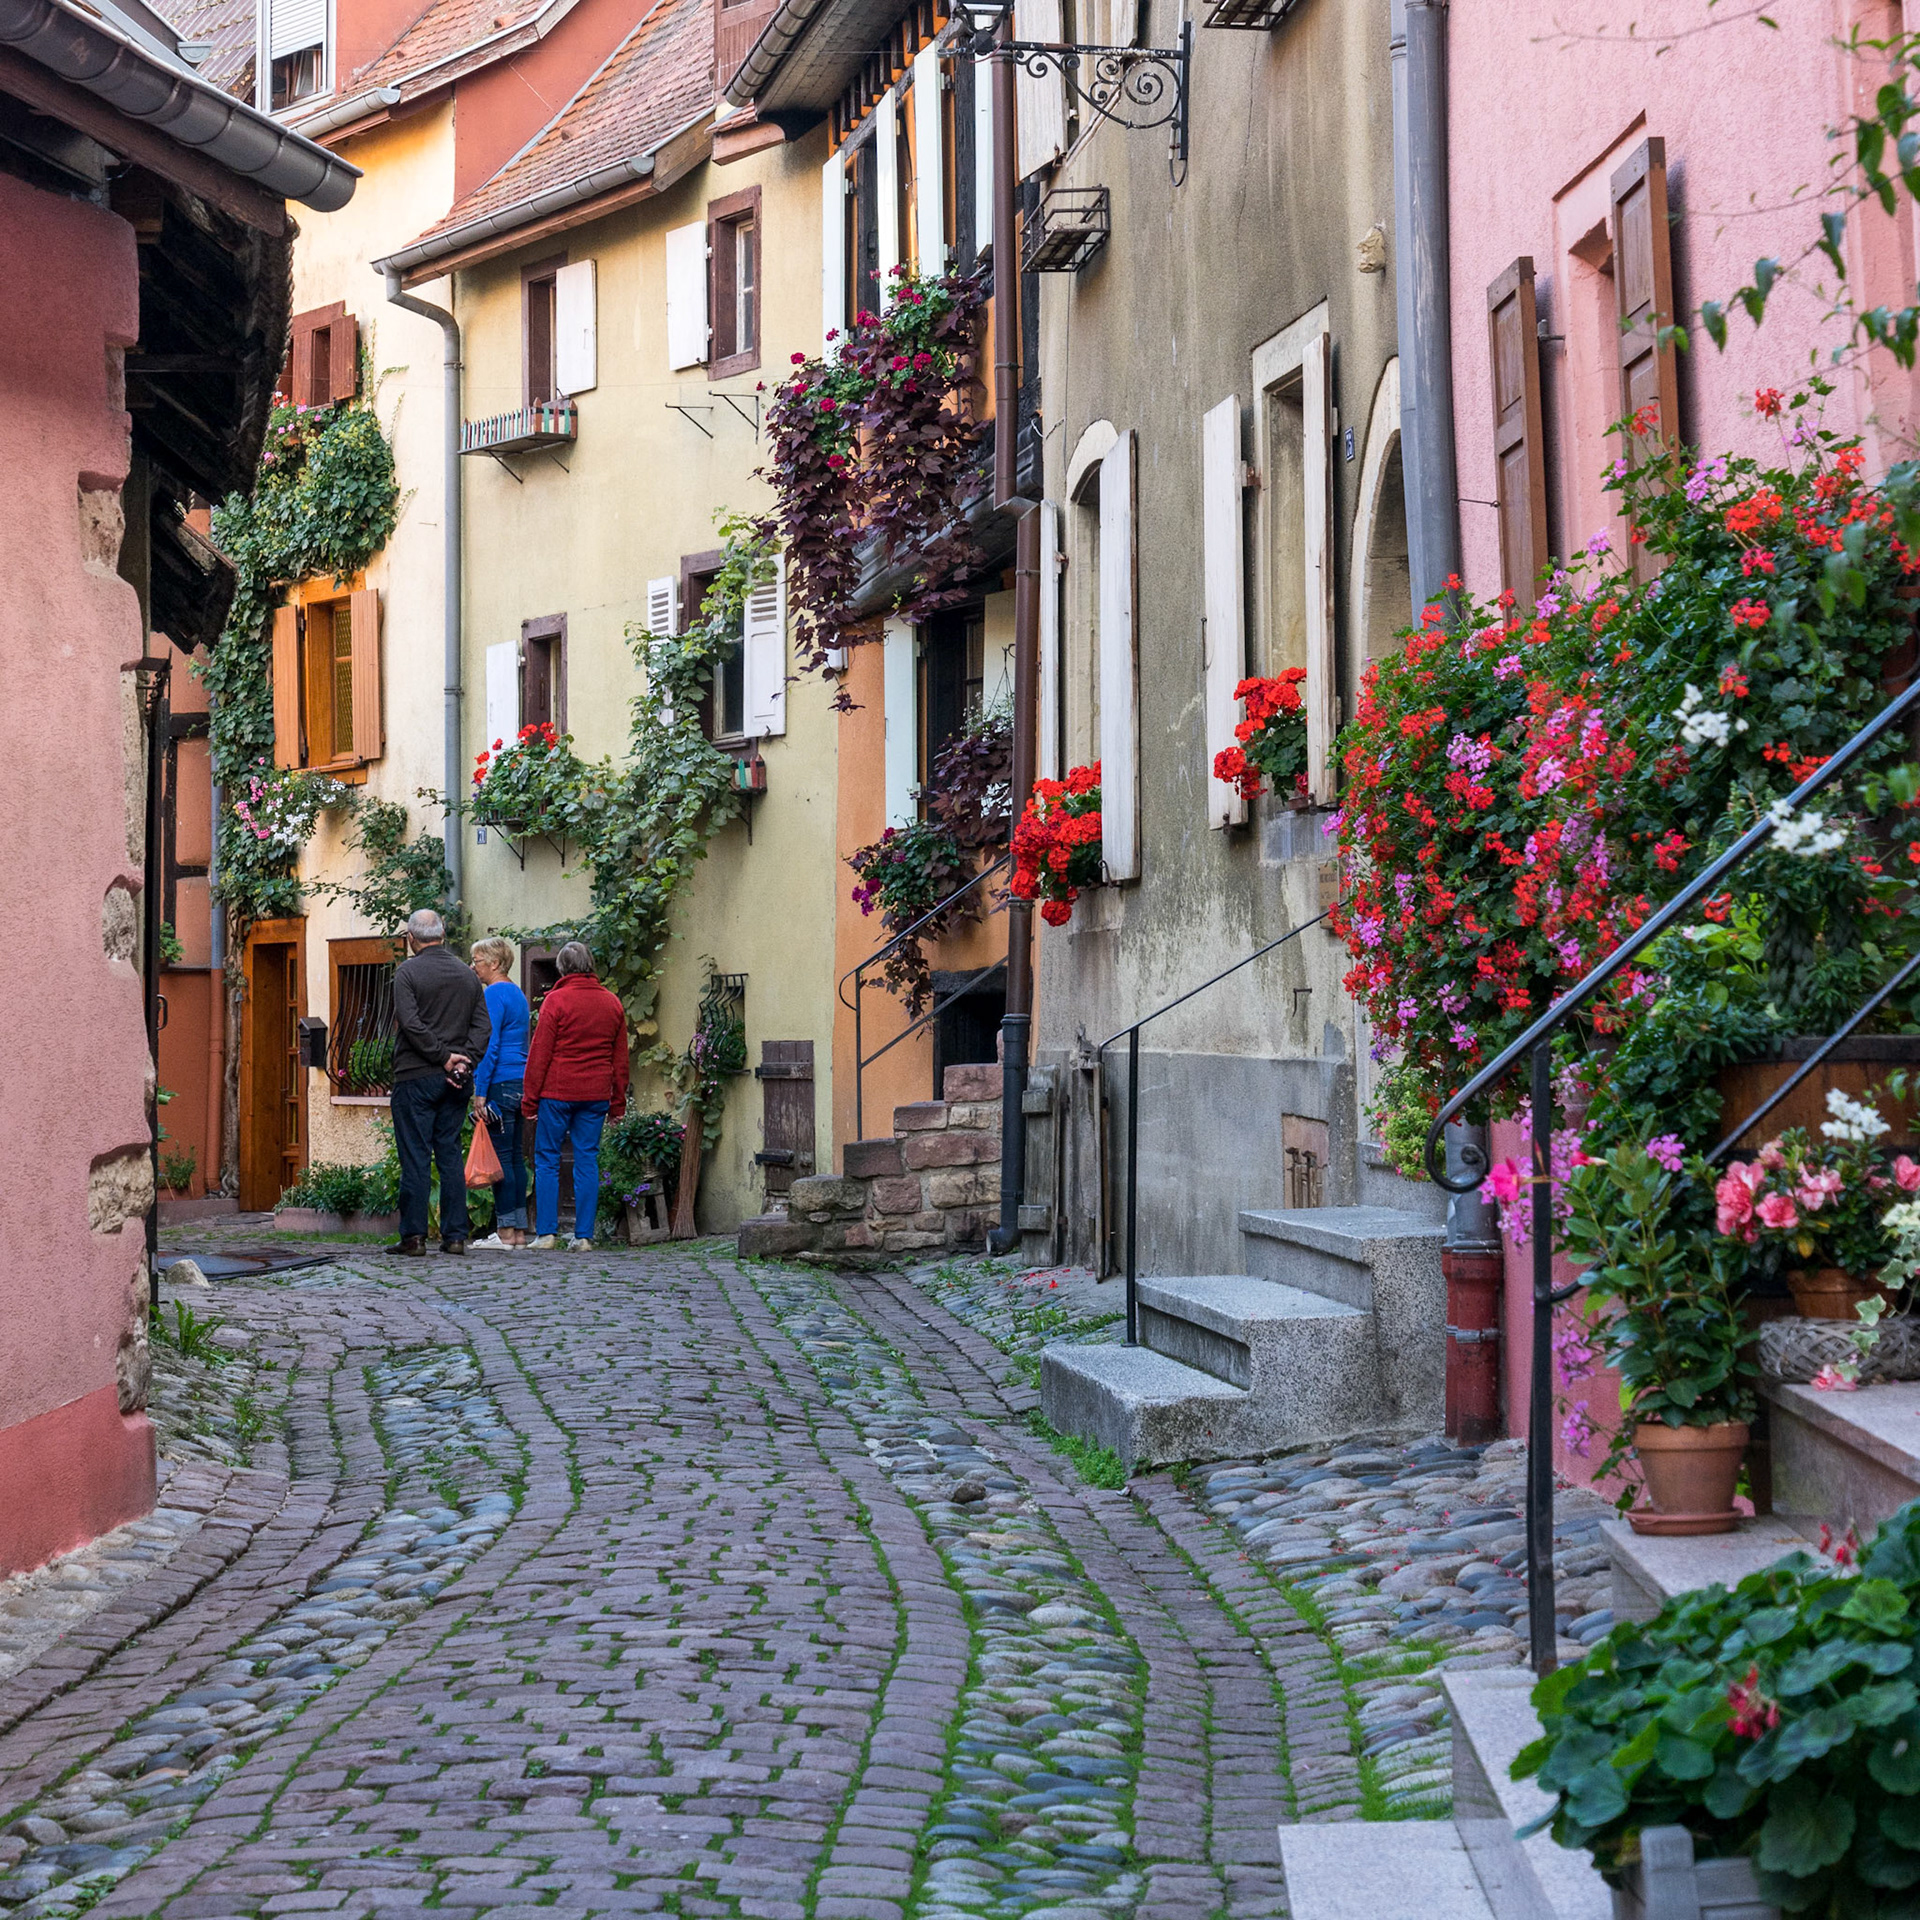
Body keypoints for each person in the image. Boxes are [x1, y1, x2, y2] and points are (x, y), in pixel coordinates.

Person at [389, 908, 491, 1256]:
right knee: (448, 1153)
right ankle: (455, 1236)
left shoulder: (407, 973)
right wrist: (464, 1062)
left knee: (415, 1155)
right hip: (456, 1081)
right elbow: (482, 1027)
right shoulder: (467, 975)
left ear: (411, 938)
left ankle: (414, 1237)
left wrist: (442, 1056)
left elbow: (411, 1022)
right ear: (443, 934)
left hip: (415, 1075)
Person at [523, 941, 628, 1250]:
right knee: (587, 1159)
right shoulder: (612, 1003)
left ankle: (546, 1233)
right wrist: (617, 1104)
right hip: (595, 1093)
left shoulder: (555, 1001)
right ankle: (584, 1236)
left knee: (547, 1159)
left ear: (562, 968)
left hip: (557, 1091)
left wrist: (530, 1099)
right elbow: (620, 1059)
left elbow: (539, 1054)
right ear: (590, 965)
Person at [467, 937, 530, 1249]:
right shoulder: (518, 994)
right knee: (516, 1158)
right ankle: (518, 1231)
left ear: (494, 963)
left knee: (501, 1159)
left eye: (477, 961)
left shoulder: (492, 994)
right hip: (520, 1083)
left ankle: (505, 1233)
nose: (473, 967)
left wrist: (480, 1090)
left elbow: (488, 1046)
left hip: (499, 1083)